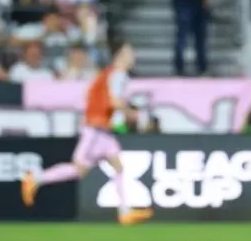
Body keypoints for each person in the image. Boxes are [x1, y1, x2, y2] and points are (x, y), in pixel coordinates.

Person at [20, 43, 154, 226]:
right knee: (78, 169)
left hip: (101, 129)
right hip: (95, 129)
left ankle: (125, 212)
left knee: (118, 167)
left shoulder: (108, 74)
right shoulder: (118, 75)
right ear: (120, 56)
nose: (133, 58)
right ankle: (36, 178)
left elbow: (92, 95)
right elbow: (114, 102)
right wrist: (136, 114)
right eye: (130, 54)